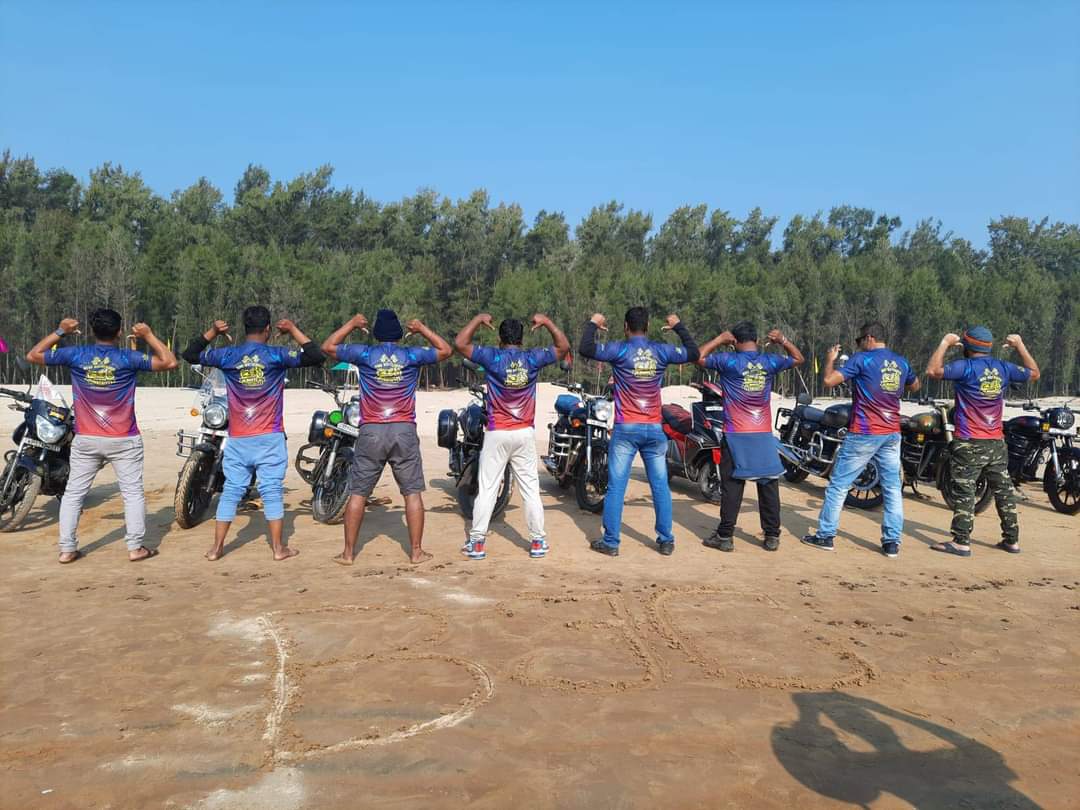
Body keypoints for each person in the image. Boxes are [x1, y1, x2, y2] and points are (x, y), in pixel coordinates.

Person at [26, 309, 177, 563]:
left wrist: (61, 330)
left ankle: (67, 549)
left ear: (92, 331)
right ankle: (135, 547)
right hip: (124, 438)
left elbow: (33, 355)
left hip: (86, 437)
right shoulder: (128, 357)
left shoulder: (77, 354)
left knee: (74, 494)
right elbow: (170, 362)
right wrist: (148, 335)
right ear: (119, 332)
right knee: (132, 493)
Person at [181, 307, 324, 561]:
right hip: (270, 436)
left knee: (232, 490)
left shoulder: (228, 355)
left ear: (245, 328)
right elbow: (315, 355)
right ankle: (278, 549)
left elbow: (190, 354)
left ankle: (216, 549)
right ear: (268, 329)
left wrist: (212, 332)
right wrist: (292, 330)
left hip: (239, 437)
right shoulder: (277, 355)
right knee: (271, 490)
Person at [321, 309, 451, 565]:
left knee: (358, 493)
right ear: (400, 335)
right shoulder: (411, 355)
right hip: (403, 430)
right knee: (412, 493)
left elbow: (328, 346)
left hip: (372, 430)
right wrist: (422, 328)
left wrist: (352, 324)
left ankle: (348, 553)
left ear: (376, 334)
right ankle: (416, 552)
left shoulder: (365, 354)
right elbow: (446, 350)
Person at [579, 307, 699, 557]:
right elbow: (693, 352)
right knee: (660, 486)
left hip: (626, 428)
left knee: (616, 487)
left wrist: (593, 323)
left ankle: (611, 542)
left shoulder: (619, 350)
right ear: (648, 326)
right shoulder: (661, 351)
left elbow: (585, 348)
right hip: (654, 428)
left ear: (625, 327)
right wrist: (678, 326)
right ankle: (666, 540)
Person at [454, 312, 571, 559]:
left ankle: (477, 543)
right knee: (530, 489)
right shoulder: (532, 358)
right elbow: (563, 347)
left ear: (500, 339)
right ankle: (537, 542)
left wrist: (477, 320)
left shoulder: (492, 357)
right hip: (524, 433)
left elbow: (460, 343)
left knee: (488, 489)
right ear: (521, 339)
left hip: (497, 432)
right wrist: (548, 322)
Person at [802, 321, 920, 558]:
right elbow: (915, 386)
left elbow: (829, 381)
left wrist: (830, 359)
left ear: (869, 338)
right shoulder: (901, 361)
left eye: (859, 340)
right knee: (892, 488)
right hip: (891, 432)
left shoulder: (861, 359)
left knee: (839, 484)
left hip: (865, 431)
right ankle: (891, 543)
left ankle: (825, 535)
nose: (859, 345)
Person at [925, 327, 1039, 556]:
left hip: (969, 441)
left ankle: (961, 541)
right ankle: (1012, 540)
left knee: (964, 490)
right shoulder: (1003, 368)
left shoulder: (965, 367)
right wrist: (1019, 345)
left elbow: (932, 370)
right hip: (996, 441)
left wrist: (945, 342)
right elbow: (1034, 373)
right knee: (1004, 491)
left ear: (967, 346)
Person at [696, 322, 804, 552]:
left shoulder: (728, 361)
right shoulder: (769, 361)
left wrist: (719, 339)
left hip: (736, 434)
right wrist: (782, 340)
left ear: (734, 341)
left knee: (732, 486)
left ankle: (725, 536)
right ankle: (772, 536)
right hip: (762, 433)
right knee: (768, 484)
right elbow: (798, 358)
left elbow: (698, 357)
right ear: (755, 339)